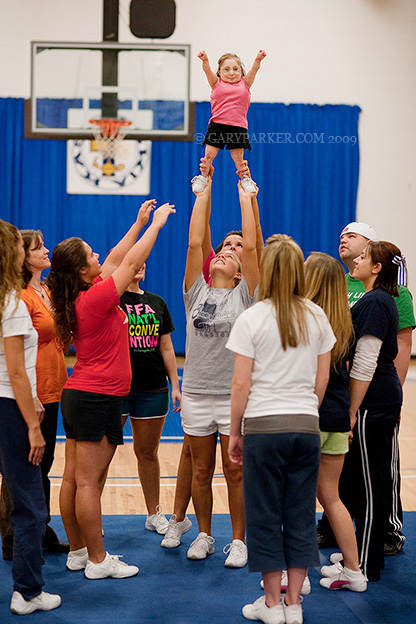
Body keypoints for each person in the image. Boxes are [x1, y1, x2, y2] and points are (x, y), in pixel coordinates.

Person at [47, 199, 175, 580]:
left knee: (73, 478)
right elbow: (131, 263)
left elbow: (119, 256)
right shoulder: (97, 298)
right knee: (87, 482)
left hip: (82, 394)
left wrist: (138, 223)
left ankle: (77, 551)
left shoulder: (82, 293)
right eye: (92, 254)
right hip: (97, 397)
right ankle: (99, 561)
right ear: (83, 269)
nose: (99, 254)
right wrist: (157, 225)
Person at [227, 234, 335, 624]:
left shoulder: (252, 317)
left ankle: (272, 604)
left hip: (264, 426)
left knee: (265, 513)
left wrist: (236, 431)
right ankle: (294, 603)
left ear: (267, 270)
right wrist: (306, 411)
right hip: (305, 425)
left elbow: (240, 384)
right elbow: (321, 380)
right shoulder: (316, 315)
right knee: (301, 512)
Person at [317, 222, 415, 556]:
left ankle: (387, 530)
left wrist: (395, 395)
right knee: (340, 461)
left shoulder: (392, 293)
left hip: (373, 393)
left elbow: (398, 345)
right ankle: (335, 525)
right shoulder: (337, 283)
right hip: (343, 390)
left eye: (352, 235)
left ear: (371, 250)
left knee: (378, 466)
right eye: (341, 233)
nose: (343, 237)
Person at [180, 177, 259, 567]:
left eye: (234, 249)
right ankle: (205, 534)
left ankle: (239, 540)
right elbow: (196, 242)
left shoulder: (247, 294)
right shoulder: (195, 290)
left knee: (235, 472)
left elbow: (254, 243)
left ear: (242, 271)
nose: (226, 251)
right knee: (199, 470)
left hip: (231, 396)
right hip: (195, 392)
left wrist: (245, 192)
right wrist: (205, 186)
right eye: (224, 247)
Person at [0, 219, 61, 615]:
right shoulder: (12, 303)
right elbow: (16, 371)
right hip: (10, 406)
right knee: (30, 504)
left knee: (25, 497)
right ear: (13, 253)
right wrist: (33, 426)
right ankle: (27, 591)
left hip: (10, 402)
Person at [304, 252, 367, 592]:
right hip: (339, 417)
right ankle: (354, 571)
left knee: (297, 498)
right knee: (331, 497)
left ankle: (292, 576)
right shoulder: (345, 323)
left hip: (310, 417)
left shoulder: (306, 322)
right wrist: (351, 413)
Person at [120, 263, 186, 536]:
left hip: (152, 389)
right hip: (117, 388)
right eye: (132, 260)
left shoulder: (156, 302)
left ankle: (153, 513)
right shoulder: (111, 299)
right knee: (103, 453)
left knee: (147, 453)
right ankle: (92, 516)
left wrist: (175, 386)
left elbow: (167, 347)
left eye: (143, 260)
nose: (140, 264)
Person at [191, 49, 266, 194]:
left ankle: (245, 179)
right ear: (219, 72)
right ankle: (203, 177)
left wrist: (258, 59)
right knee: (209, 155)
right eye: (226, 69)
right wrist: (205, 60)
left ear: (241, 71)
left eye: (235, 69)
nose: (231, 73)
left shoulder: (245, 83)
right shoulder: (215, 83)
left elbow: (255, 69)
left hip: (237, 127)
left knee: (238, 158)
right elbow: (206, 70)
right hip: (217, 125)